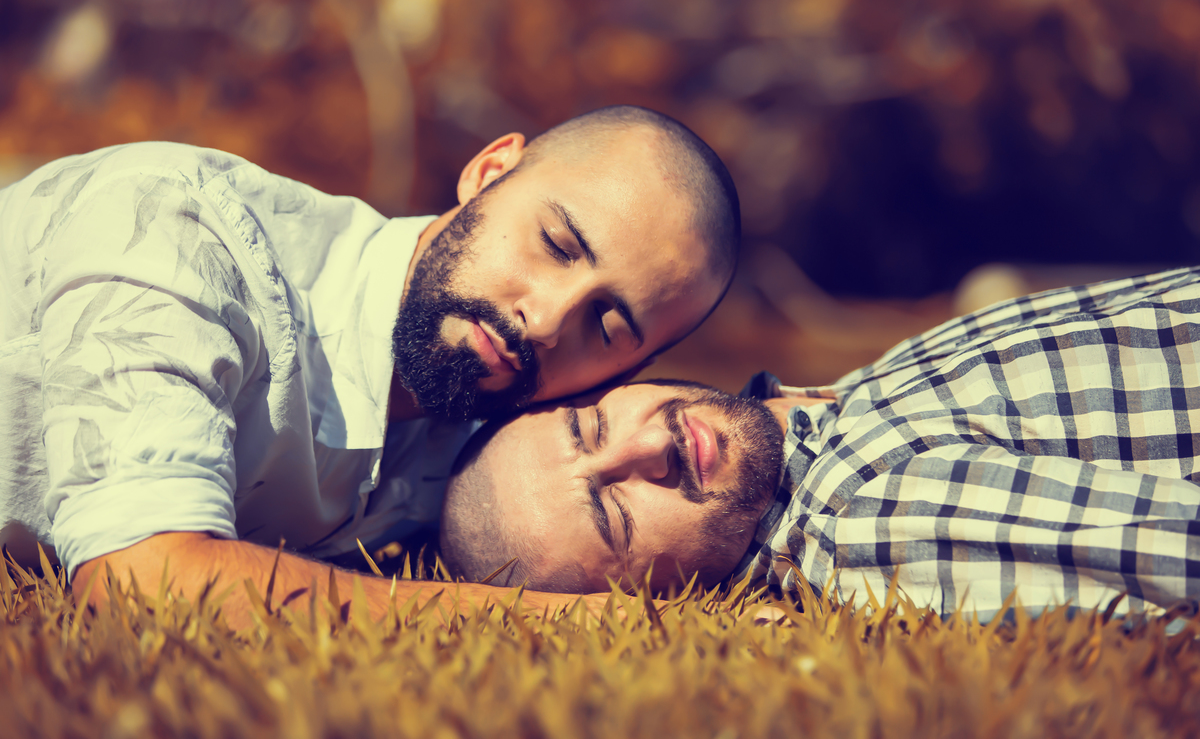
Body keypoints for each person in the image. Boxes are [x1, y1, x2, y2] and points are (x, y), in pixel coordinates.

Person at [0, 105, 740, 625]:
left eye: (606, 325)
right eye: (555, 243)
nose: (545, 322)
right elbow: (144, 583)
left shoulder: (491, 430)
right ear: (488, 172)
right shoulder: (179, 231)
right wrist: (568, 622)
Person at [441, 266, 1200, 621]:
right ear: (652, 597)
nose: (647, 452)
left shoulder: (842, 405)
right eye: (617, 516)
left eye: (592, 426)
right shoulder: (863, 521)